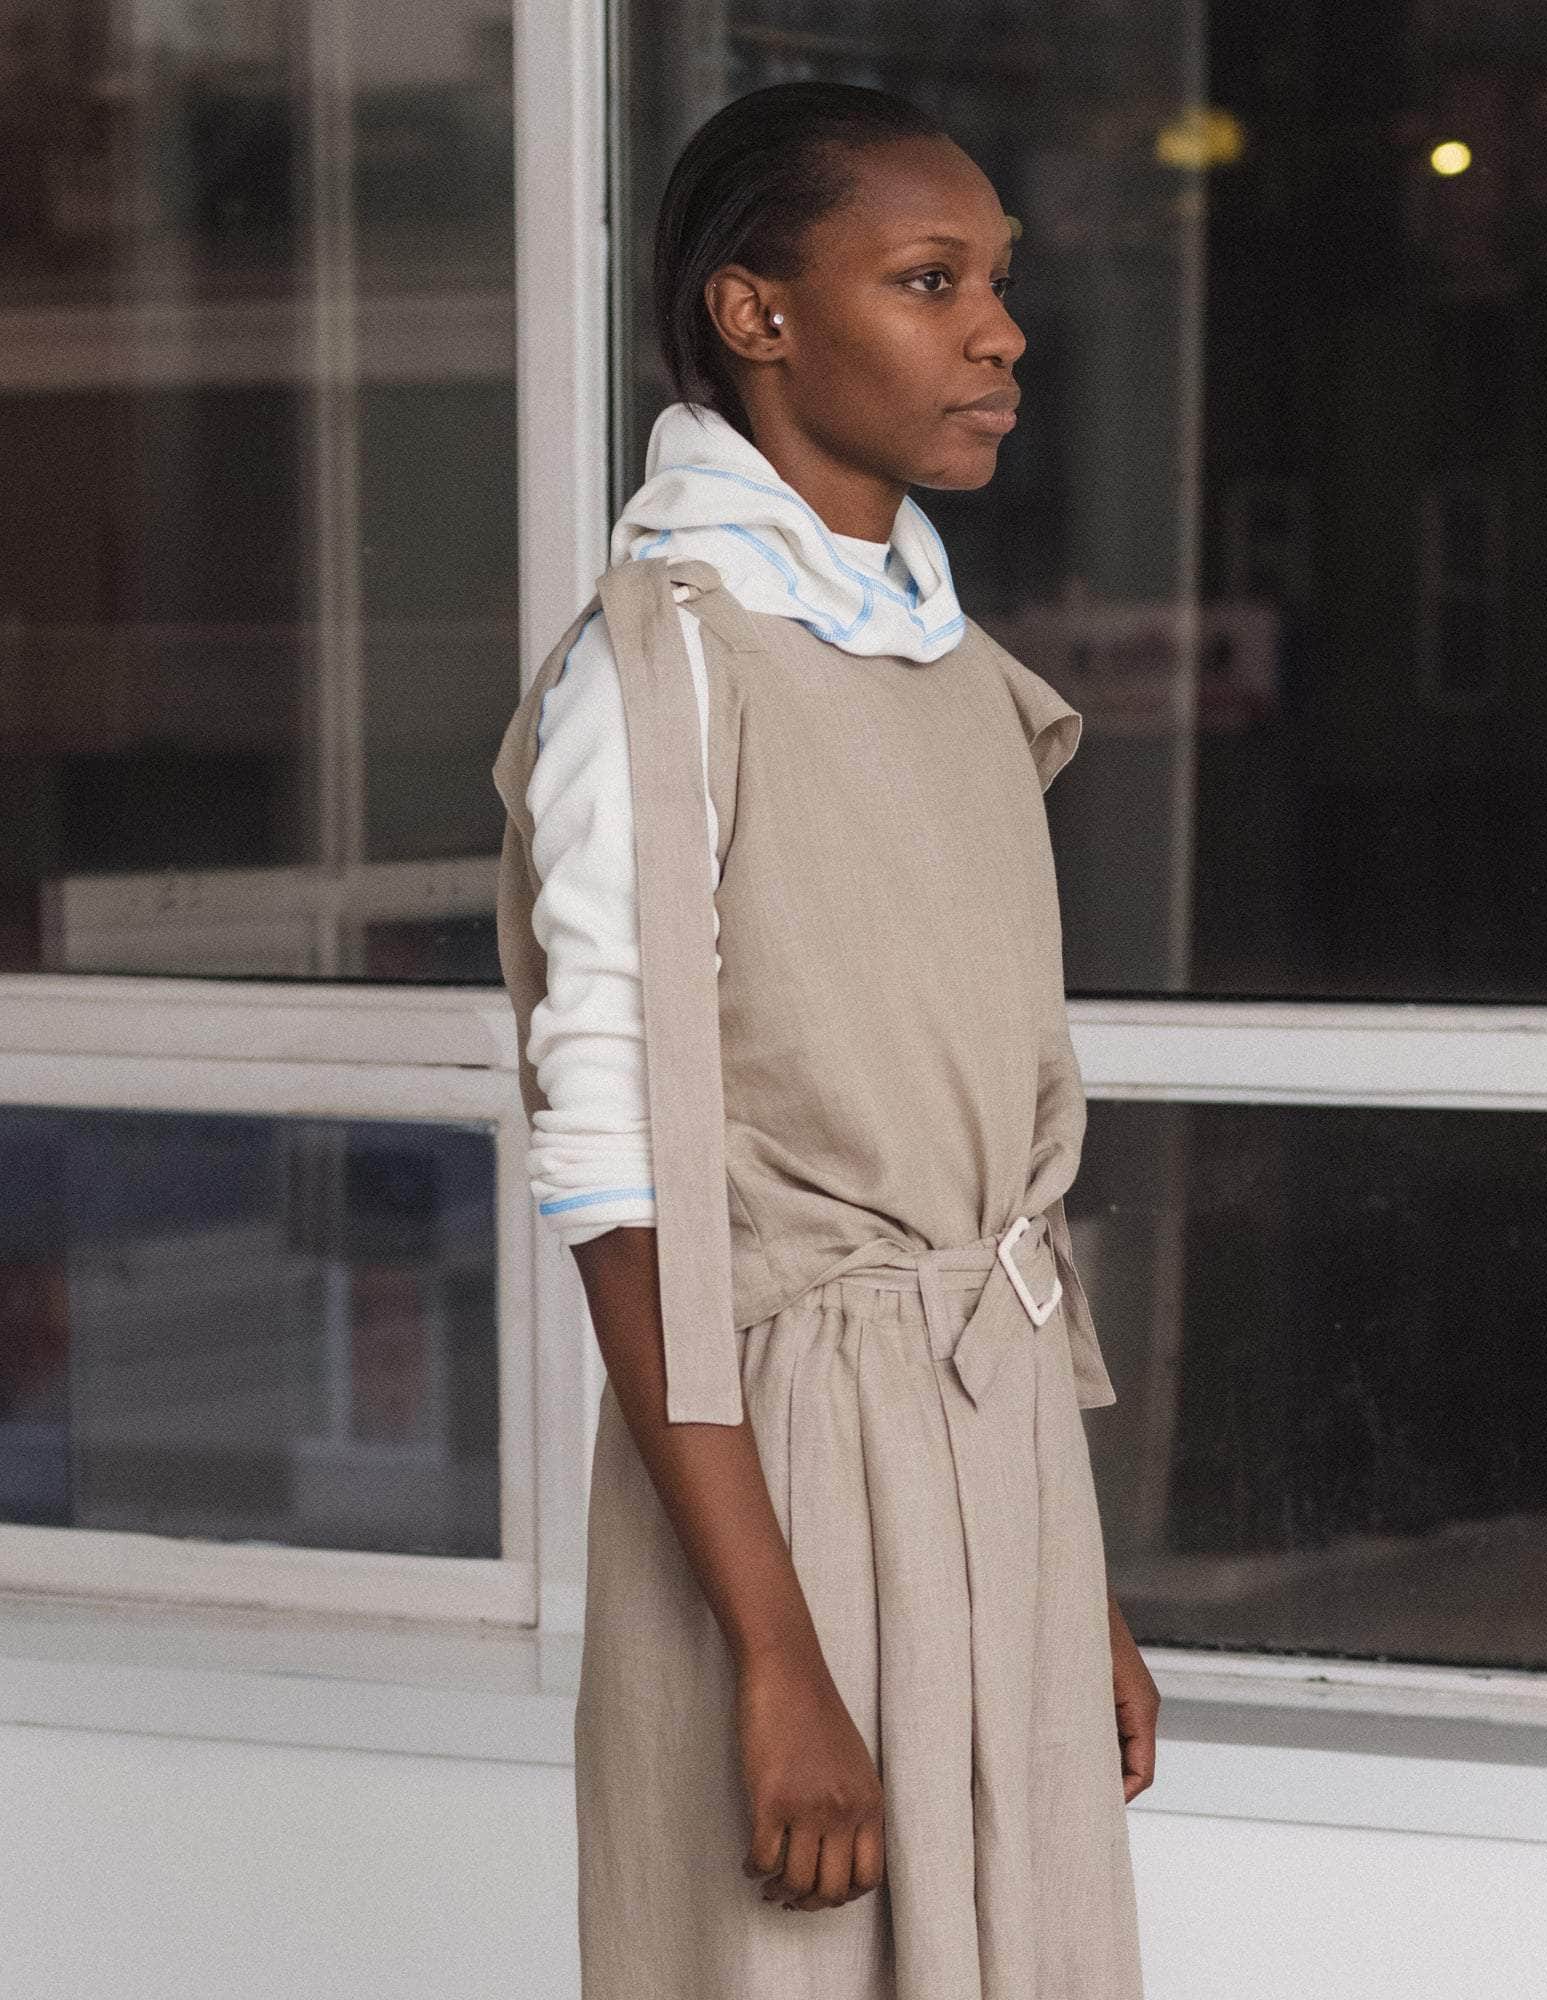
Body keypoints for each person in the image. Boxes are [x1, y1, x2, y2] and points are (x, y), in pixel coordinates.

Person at [492, 77, 1157, 2000]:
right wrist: (775, 1658)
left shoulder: (955, 671)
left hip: (997, 1447)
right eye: (931, 281)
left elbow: (993, 1207)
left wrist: (1078, 1591)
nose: (1000, 333)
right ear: (758, 312)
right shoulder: (664, 673)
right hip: (774, 1472)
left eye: (999, 282)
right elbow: (618, 1194)